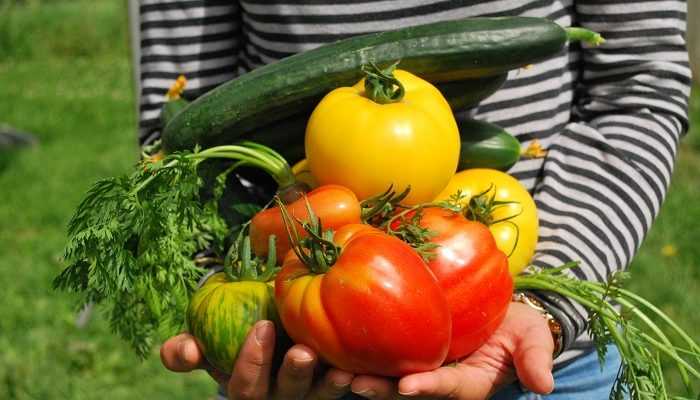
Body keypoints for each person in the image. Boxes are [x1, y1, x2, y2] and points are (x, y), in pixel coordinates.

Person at [136, 1, 691, 398]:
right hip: (298, 349)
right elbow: (181, 133)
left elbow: (639, 92)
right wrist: (226, 301)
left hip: (546, 362)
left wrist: (547, 304)